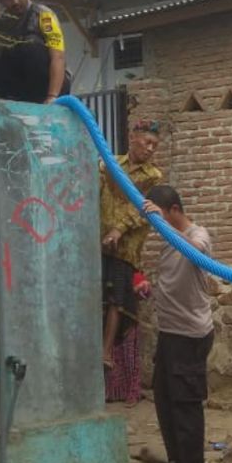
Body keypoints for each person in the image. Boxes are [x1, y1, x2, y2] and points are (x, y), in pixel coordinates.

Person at [141, 186, 214, 463]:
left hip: (190, 335)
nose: (155, 227)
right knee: (164, 398)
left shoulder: (199, 235)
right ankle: (178, 459)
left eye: (158, 218)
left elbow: (195, 252)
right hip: (170, 334)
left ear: (172, 210)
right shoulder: (169, 242)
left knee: (185, 402)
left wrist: (166, 227)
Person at [101, 119, 162, 375]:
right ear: (133, 137)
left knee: (118, 300)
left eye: (154, 145)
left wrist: (119, 230)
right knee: (98, 298)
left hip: (126, 248)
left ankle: (105, 352)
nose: (150, 149)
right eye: (147, 142)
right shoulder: (109, 164)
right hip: (97, 242)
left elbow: (142, 209)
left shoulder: (153, 176)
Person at [104, 270, 151, 407]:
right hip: (110, 323)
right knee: (114, 358)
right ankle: (113, 393)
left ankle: (132, 393)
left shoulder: (133, 274)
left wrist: (140, 288)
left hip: (128, 320)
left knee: (130, 360)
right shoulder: (108, 273)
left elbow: (146, 292)